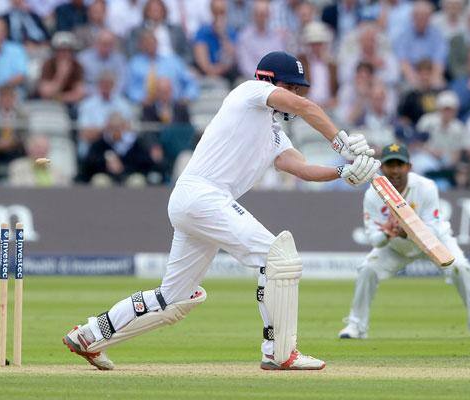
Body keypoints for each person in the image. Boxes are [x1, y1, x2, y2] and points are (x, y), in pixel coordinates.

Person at [62, 51, 380, 371]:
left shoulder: (274, 134)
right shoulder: (250, 91)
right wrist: (341, 142)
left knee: (174, 298)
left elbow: (301, 168)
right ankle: (279, 352)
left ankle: (88, 335)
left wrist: (342, 172)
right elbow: (306, 107)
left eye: (298, 88)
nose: (295, 94)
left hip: (196, 201)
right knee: (277, 259)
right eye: (290, 87)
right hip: (204, 196)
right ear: (269, 80)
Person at [338, 143, 470, 340]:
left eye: (400, 165)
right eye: (390, 165)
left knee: (461, 267)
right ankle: (356, 326)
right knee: (367, 269)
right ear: (382, 167)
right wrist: (388, 235)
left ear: (409, 167)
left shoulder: (426, 187)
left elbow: (432, 228)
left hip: (435, 243)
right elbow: (374, 237)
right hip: (396, 246)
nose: (395, 171)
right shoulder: (372, 194)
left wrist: (404, 231)